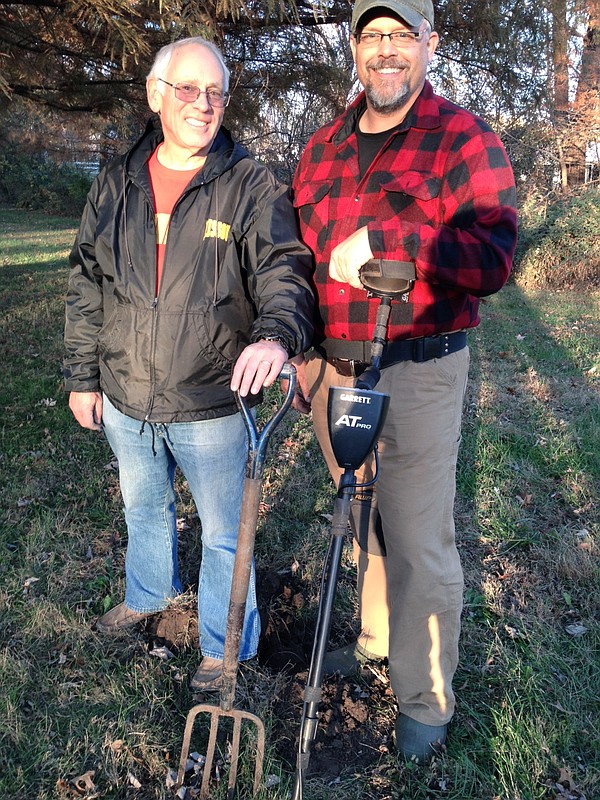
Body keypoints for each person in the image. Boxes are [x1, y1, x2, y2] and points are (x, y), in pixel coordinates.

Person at [291, 0, 517, 760]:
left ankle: (424, 705)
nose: (386, 51)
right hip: (334, 367)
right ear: (354, 48)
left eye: (401, 35)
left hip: (419, 367)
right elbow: (299, 258)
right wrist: (299, 349)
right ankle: (377, 639)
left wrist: (394, 242)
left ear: (430, 43)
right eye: (371, 36)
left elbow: (494, 259)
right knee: (363, 519)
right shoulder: (322, 145)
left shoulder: (464, 138)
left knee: (420, 539)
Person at [64, 37, 314, 691]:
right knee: (144, 509)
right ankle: (147, 595)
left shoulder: (250, 185)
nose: (203, 105)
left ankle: (222, 645)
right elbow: (87, 281)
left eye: (215, 93)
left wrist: (276, 336)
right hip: (124, 394)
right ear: (156, 95)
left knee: (225, 533)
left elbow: (284, 271)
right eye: (188, 89)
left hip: (210, 401)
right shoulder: (116, 181)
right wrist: (81, 377)